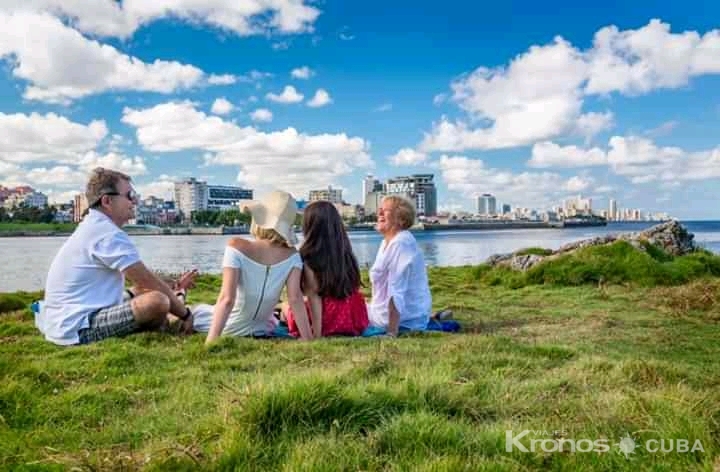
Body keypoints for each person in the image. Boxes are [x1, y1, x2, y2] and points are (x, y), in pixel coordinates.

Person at [38, 167, 196, 346]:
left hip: (64, 319)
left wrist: (174, 287)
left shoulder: (95, 226)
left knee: (157, 287)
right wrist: (185, 313)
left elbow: (146, 282)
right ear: (107, 201)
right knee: (157, 301)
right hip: (78, 327)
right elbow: (146, 281)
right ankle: (171, 319)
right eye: (129, 195)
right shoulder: (106, 233)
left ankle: (173, 304)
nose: (134, 201)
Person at [198, 190, 314, 343]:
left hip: (227, 326)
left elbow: (227, 299)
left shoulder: (236, 246)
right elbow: (295, 298)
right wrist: (307, 338)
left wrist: (211, 341)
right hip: (262, 327)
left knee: (197, 311)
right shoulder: (293, 255)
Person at [284, 201, 369, 337]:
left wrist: (317, 334)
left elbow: (314, 296)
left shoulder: (309, 257)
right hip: (352, 314)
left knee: (286, 308)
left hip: (328, 317)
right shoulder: (344, 250)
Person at [367, 195, 433, 337]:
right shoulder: (387, 242)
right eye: (379, 210)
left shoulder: (400, 243)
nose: (379, 214)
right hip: (391, 313)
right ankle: (434, 317)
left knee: (342, 306)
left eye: (385, 211)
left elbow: (396, 291)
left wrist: (391, 332)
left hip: (401, 321)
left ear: (401, 219)